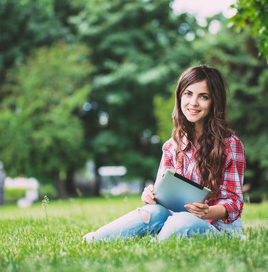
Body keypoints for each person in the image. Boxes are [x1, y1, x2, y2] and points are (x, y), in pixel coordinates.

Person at [83, 65, 245, 242]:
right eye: (188, 94)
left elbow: (234, 202)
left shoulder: (230, 145)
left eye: (203, 97)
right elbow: (163, 194)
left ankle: (156, 245)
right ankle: (95, 239)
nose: (193, 103)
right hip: (174, 217)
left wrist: (208, 212)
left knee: (183, 220)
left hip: (217, 228)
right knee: (152, 211)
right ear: (180, 97)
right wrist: (151, 194)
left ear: (214, 102)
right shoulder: (172, 145)